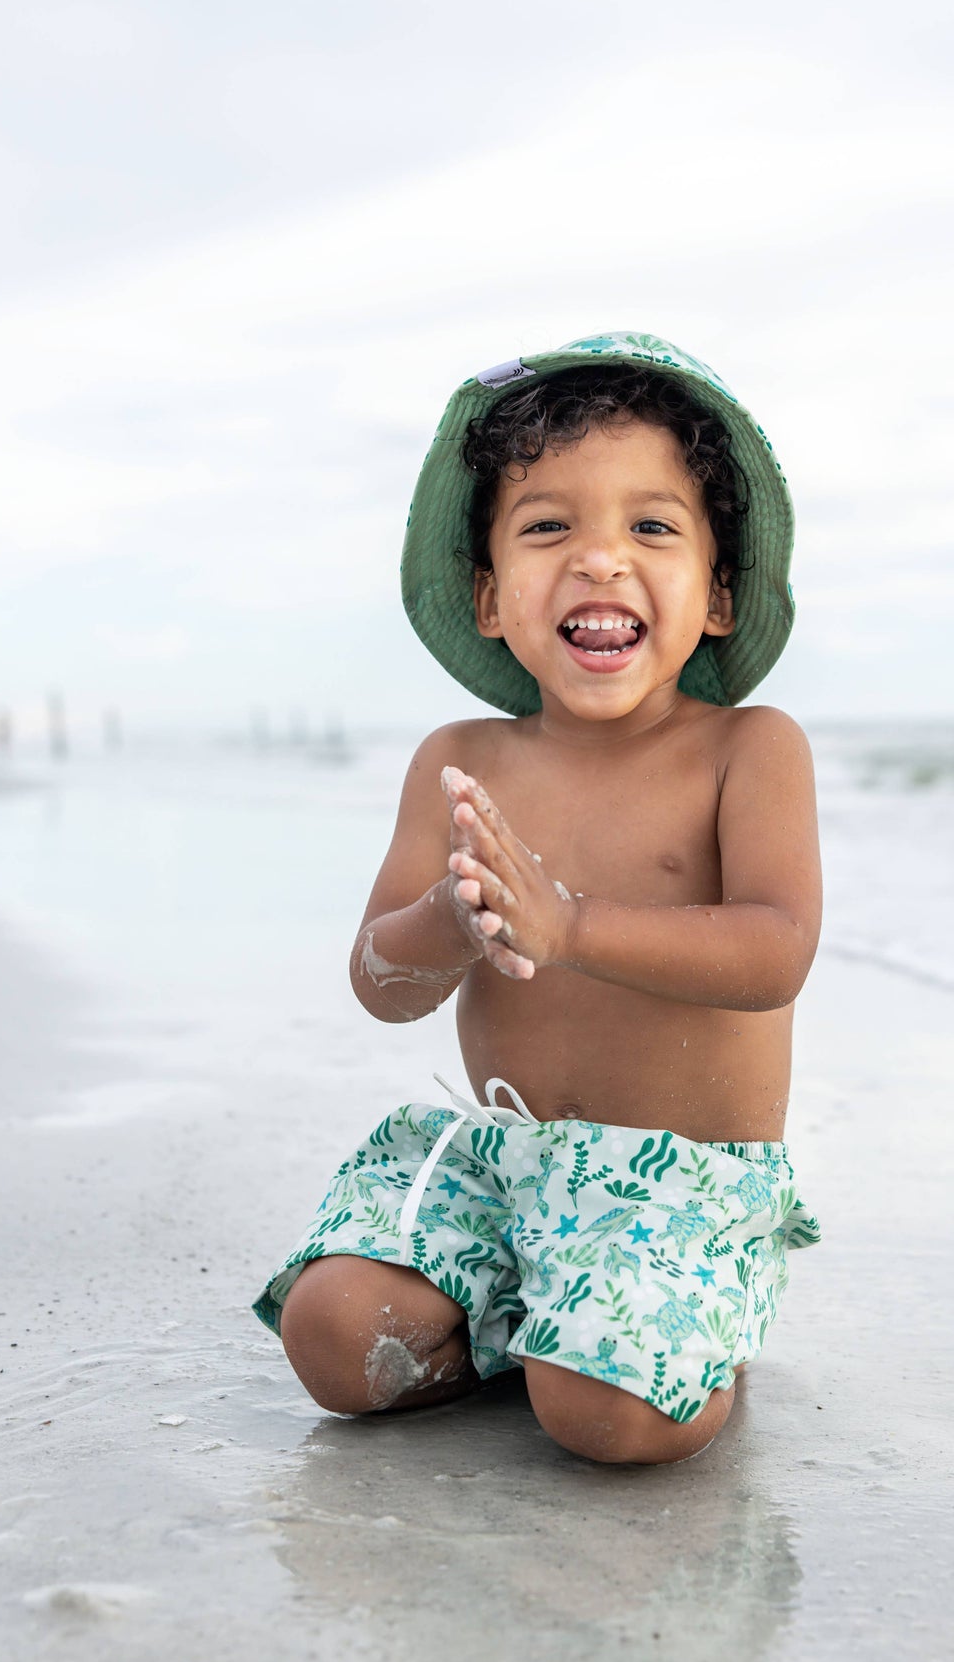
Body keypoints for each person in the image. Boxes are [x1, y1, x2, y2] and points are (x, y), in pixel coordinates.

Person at [253, 332, 822, 1465]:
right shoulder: (462, 760)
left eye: (650, 528)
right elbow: (380, 985)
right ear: (487, 598)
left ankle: (672, 1337)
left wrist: (571, 929)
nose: (601, 561)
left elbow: (775, 952)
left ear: (713, 595)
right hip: (503, 1167)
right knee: (332, 1338)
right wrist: (450, 927)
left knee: (600, 1418)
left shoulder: (748, 750)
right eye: (549, 526)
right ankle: (529, 1327)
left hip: (680, 1188)